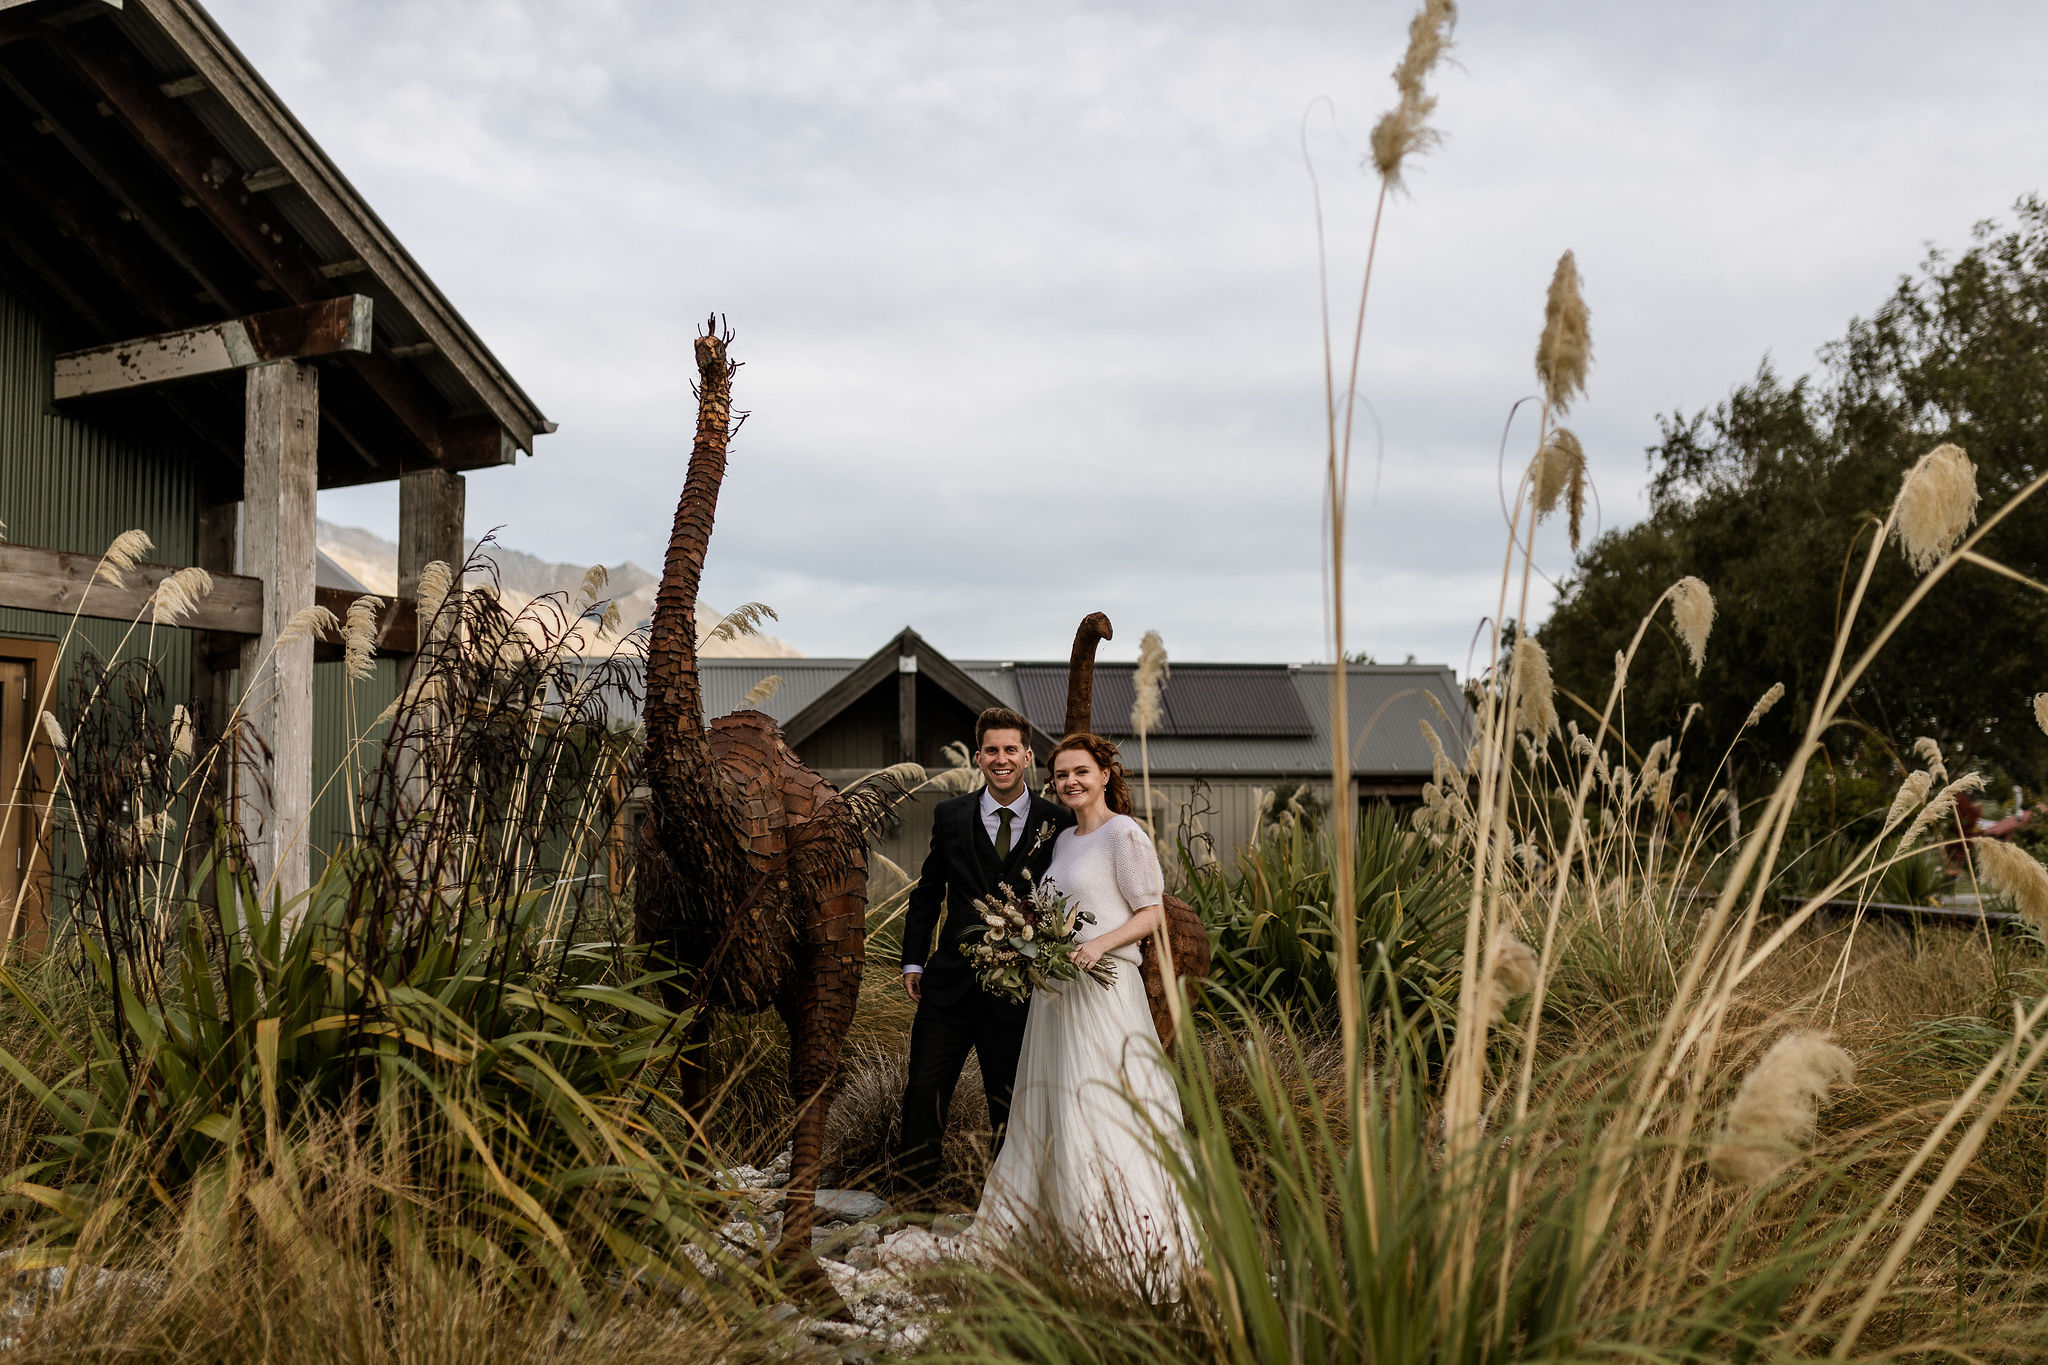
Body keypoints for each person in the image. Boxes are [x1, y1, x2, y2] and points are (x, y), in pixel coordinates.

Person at [973, 732, 1195, 1291]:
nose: (1070, 782)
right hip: (1059, 994)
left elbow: (1150, 914)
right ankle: (1055, 1222)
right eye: (1061, 775)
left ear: (1104, 774)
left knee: (1099, 1096)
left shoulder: (1126, 834)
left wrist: (1099, 944)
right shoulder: (1066, 840)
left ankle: (1119, 1237)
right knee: (1055, 1100)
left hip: (1105, 989)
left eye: (1081, 772)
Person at [896, 707, 1073, 1197]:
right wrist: (913, 960)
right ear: (979, 757)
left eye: (1010, 750)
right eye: (992, 750)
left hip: (1017, 993)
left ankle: (1008, 1207)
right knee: (924, 1093)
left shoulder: (1057, 821)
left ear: (1027, 756)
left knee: (1010, 1102)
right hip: (948, 985)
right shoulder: (949, 815)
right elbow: (928, 892)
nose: (1001, 759)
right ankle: (912, 1205)